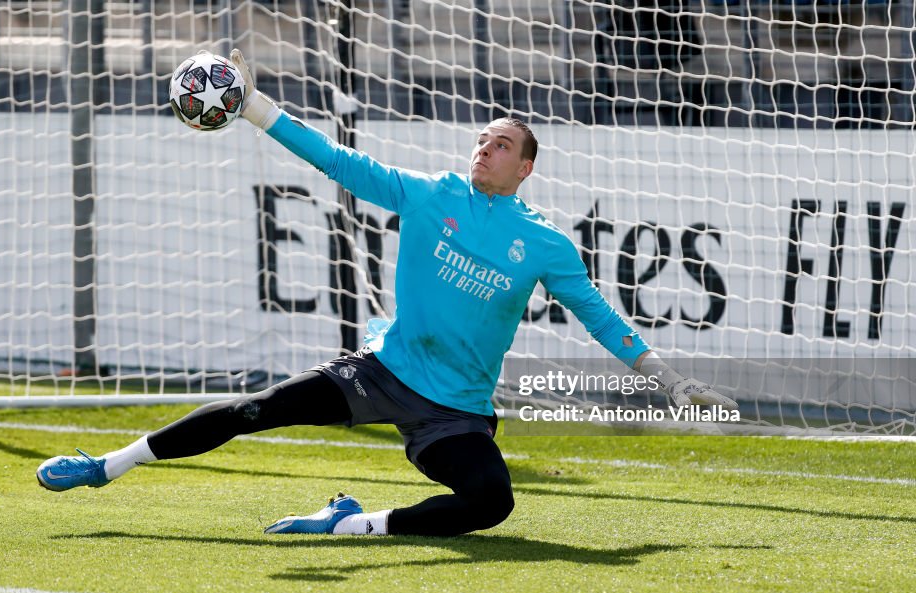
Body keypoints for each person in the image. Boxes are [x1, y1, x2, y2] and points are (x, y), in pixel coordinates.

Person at [36, 49, 736, 537]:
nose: (483, 148)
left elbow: (597, 315)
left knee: (491, 502)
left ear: (525, 167)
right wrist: (253, 107)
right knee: (257, 409)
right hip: (382, 371)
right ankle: (106, 465)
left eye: (500, 145)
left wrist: (666, 379)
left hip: (456, 411)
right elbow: (338, 160)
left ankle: (355, 524)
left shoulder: (545, 244)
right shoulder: (431, 195)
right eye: (482, 139)